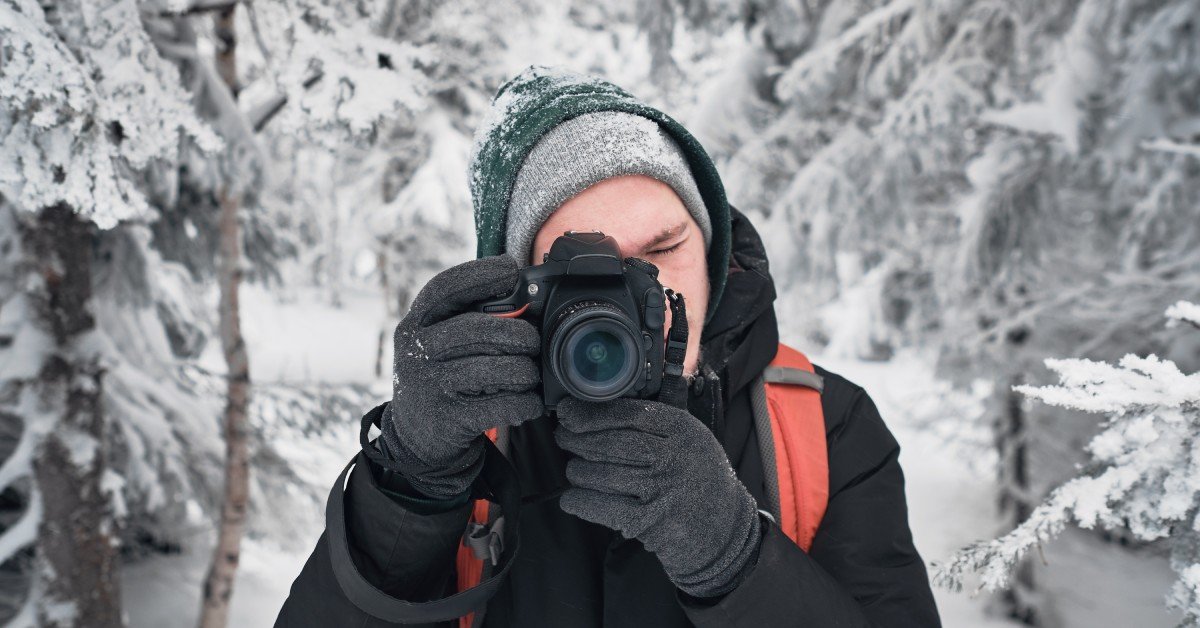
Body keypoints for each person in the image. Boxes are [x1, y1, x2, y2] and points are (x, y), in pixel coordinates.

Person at [276, 66, 941, 627]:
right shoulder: (462, 430)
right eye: (580, 267)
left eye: (663, 249)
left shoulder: (820, 428)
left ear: (712, 252)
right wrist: (407, 488)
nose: (635, 296)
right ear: (520, 284)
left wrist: (735, 557)